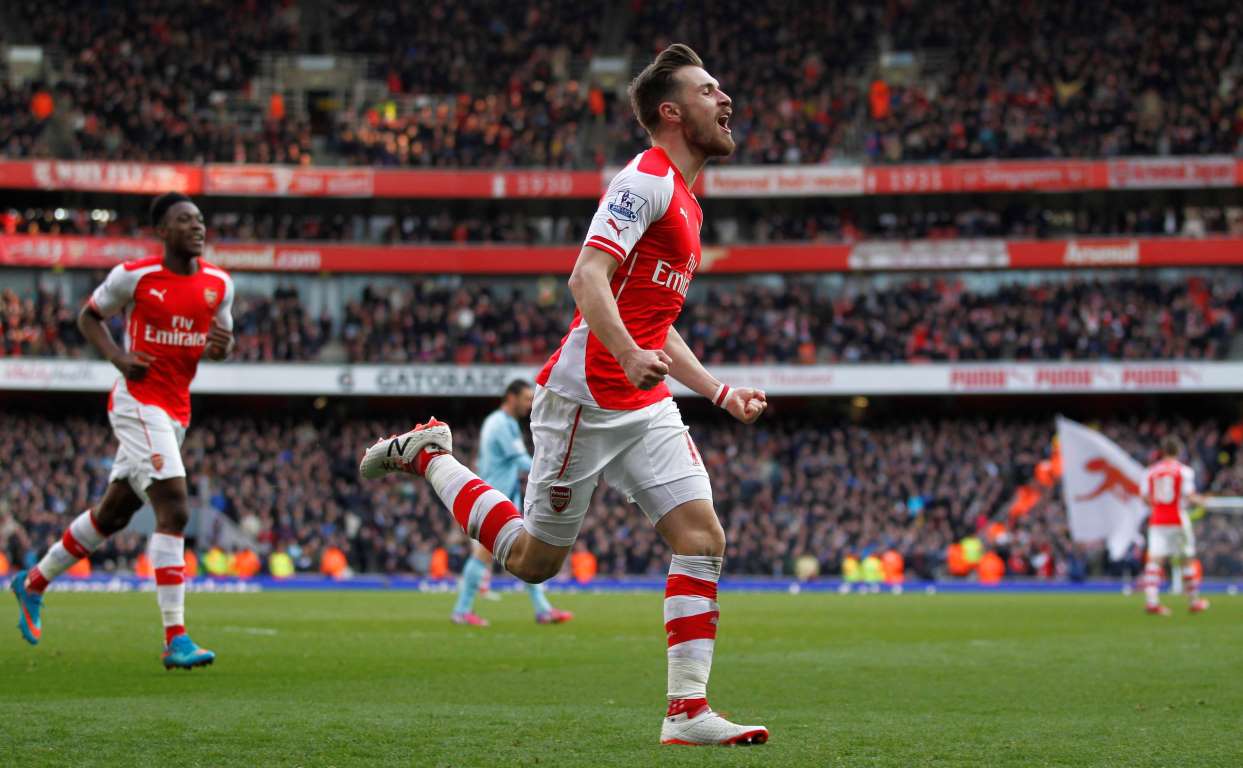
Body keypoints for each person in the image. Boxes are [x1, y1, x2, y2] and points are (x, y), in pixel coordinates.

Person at [360, 44, 769, 746]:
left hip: (642, 404)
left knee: (702, 539)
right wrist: (627, 353)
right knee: (532, 562)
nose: (724, 99)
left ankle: (686, 712)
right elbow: (586, 277)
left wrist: (717, 390)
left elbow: (656, 324)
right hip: (584, 398)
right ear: (671, 112)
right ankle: (430, 455)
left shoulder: (689, 204)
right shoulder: (644, 180)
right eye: (708, 90)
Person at [10, 192, 234, 669]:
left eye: (199, 219)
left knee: (113, 515)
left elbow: (220, 344)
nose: (197, 227)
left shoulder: (219, 284)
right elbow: (88, 316)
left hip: (176, 411)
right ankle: (176, 638)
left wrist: (222, 348)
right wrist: (118, 357)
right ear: (163, 231)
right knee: (174, 507)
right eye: (184, 220)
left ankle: (33, 583)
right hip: (137, 402)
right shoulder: (136, 276)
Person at [451, 380, 573, 627]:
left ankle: (542, 610)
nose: (529, 404)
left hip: (502, 498)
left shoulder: (502, 423)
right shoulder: (500, 424)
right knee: (485, 555)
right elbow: (520, 460)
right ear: (511, 397)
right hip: (496, 500)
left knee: (524, 554)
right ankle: (462, 610)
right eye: (526, 399)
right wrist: (554, 474)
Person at [1140, 438, 1209, 615]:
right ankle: (1194, 601)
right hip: (1177, 518)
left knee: (1155, 560)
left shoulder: (1150, 471)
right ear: (1178, 451)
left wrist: (1157, 505)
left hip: (1157, 519)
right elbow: (1190, 496)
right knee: (1186, 559)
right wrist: (1203, 501)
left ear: (1163, 451)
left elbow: (1145, 498)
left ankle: (1152, 602)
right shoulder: (1184, 471)